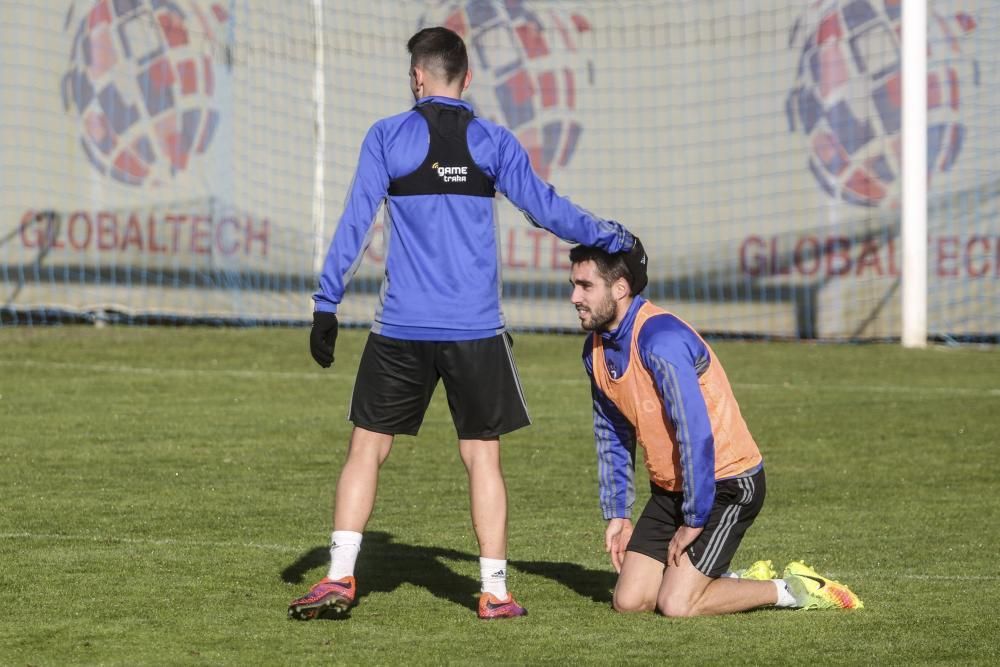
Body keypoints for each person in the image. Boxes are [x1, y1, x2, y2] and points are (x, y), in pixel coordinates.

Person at [287, 26, 646, 621]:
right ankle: (495, 592)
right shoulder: (493, 141)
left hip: (400, 327)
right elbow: (547, 209)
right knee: (482, 458)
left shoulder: (387, 136)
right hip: (475, 332)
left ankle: (339, 578)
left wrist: (327, 305)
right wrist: (615, 237)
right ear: (468, 78)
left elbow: (356, 222)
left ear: (417, 77)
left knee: (366, 450)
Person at [568, 245, 863, 616]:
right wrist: (618, 514)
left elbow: (695, 433)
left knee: (676, 604)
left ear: (620, 288)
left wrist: (693, 520)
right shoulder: (594, 350)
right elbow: (611, 433)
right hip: (670, 489)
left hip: (728, 484)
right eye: (573, 285)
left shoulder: (661, 340)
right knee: (629, 601)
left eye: (585, 286)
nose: (574, 297)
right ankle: (721, 578)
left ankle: (794, 589)